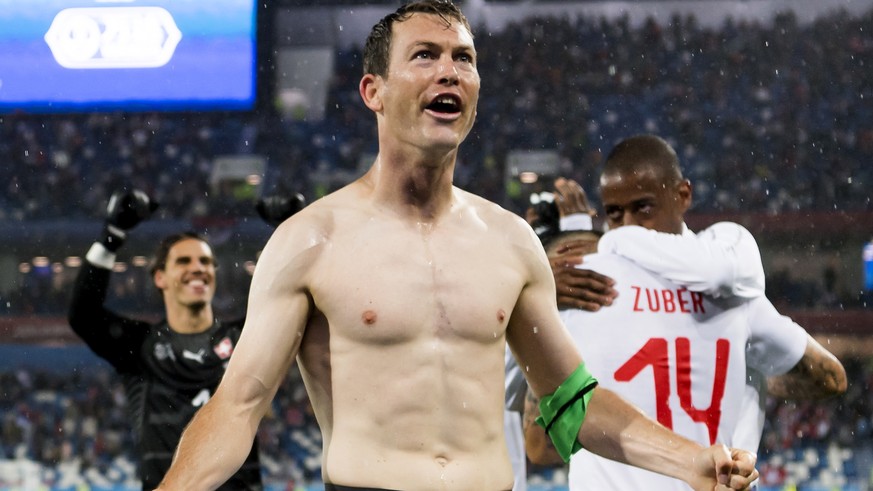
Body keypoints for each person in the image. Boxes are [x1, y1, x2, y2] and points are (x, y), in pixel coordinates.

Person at [156, 4, 759, 490]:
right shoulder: (312, 240)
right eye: (425, 56)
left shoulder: (511, 242)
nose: (449, 71)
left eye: (462, 59)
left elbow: (571, 404)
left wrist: (689, 461)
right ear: (374, 90)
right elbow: (238, 407)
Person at [524, 135, 847, 488]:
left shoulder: (584, 283)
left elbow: (541, 448)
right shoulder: (734, 293)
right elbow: (830, 378)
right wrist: (726, 376)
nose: (629, 225)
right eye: (615, 214)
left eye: (644, 209)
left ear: (683, 196)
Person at [67, 189, 304, 490]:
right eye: (183, 262)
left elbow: (309, 307)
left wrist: (296, 231)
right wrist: (111, 234)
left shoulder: (245, 337)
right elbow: (82, 315)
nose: (197, 269)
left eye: (206, 262)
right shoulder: (139, 347)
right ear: (160, 278)